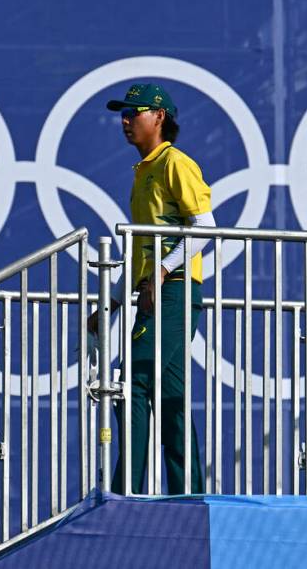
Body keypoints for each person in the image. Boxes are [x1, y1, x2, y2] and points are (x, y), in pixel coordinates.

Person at [88, 83, 215, 494]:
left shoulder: (174, 162)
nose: (125, 120)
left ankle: (127, 491)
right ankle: (188, 495)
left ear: (159, 117)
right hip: (156, 290)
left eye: (134, 112)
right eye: (122, 114)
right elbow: (145, 255)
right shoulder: (143, 172)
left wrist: (162, 271)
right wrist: (111, 302)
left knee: (135, 381)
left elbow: (207, 229)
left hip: (174, 290)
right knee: (170, 397)